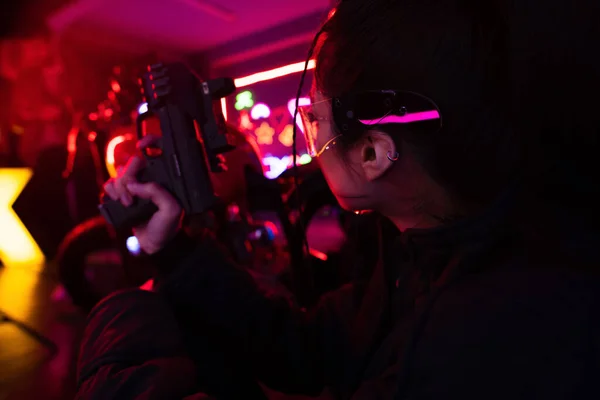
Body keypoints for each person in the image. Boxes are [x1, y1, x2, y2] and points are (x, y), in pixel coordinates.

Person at [76, 0, 600, 399]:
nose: (308, 133)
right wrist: (175, 249)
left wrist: (119, 334)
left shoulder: (479, 340)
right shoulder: (419, 249)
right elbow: (312, 347)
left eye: (316, 119)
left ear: (374, 152)